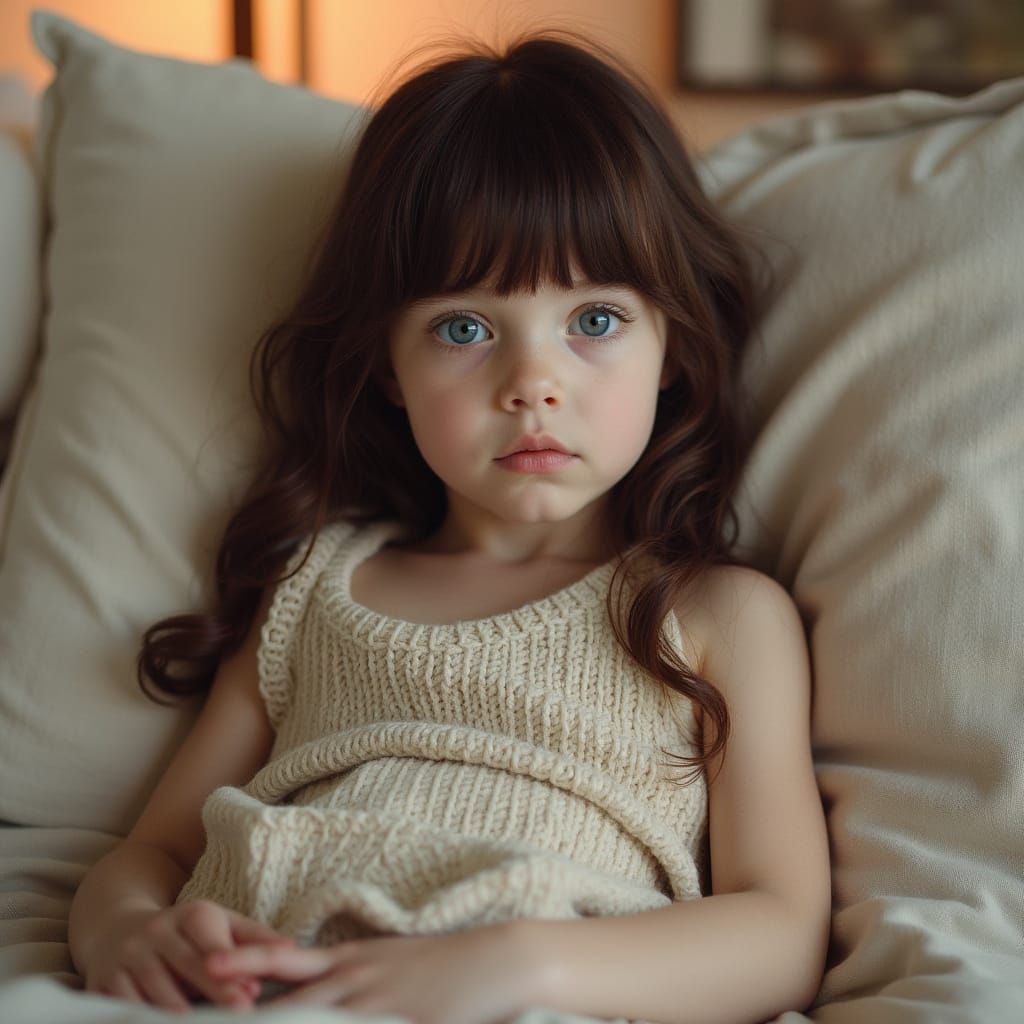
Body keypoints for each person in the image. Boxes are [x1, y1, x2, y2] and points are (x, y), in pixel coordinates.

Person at [66, 26, 831, 1024]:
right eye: (463, 329)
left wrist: (523, 965)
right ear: (387, 366)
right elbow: (154, 850)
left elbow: (780, 929)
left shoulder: (714, 614)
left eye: (593, 320)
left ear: (672, 347)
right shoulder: (311, 591)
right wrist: (126, 928)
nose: (532, 386)